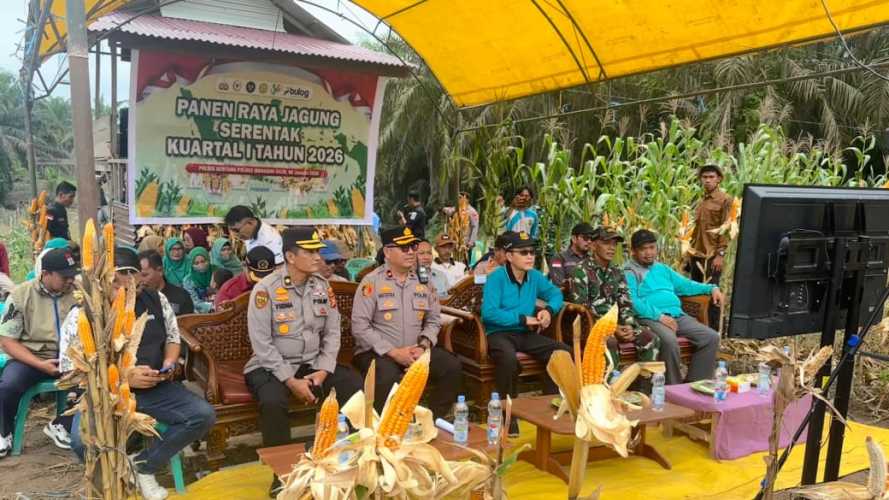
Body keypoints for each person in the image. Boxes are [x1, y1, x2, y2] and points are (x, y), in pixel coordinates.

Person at [70, 247, 216, 500]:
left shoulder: (156, 300)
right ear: (104, 280)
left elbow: (172, 338)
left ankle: (143, 466)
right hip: (104, 392)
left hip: (153, 389)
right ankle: (110, 481)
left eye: (133, 282)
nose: (126, 289)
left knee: (202, 415)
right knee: (81, 442)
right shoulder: (83, 312)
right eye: (117, 283)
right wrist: (124, 376)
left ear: (139, 277)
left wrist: (168, 364)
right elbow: (72, 367)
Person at [244, 228, 362, 496]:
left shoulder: (322, 286)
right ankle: (282, 475)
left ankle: (346, 461)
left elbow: (332, 332)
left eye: (318, 250)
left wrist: (323, 369)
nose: (318, 257)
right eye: (310, 252)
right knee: (273, 402)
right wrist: (290, 380)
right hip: (270, 365)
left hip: (312, 363)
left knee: (354, 387)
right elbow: (262, 344)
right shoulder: (265, 289)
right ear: (290, 256)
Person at [351, 227, 461, 419]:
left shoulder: (423, 281)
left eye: (413, 246)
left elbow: (434, 319)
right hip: (379, 352)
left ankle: (432, 420)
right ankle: (386, 427)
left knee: (451, 366)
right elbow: (360, 326)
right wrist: (394, 352)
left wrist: (423, 345)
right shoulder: (372, 281)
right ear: (387, 252)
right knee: (386, 377)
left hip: (416, 350)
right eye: (404, 248)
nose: (411, 252)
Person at [480, 231, 567, 436]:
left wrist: (549, 311)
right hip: (498, 333)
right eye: (523, 252)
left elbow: (556, 294)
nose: (530, 256)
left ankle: (549, 407)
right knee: (508, 360)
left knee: (562, 353)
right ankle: (507, 415)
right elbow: (489, 313)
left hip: (525, 333)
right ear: (509, 256)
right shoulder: (496, 278)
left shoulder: (534, 276)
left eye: (532, 252)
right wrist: (521, 319)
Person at [0, 249, 79, 455]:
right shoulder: (20, 295)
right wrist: (40, 364)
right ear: (45, 274)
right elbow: (7, 341)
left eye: (72, 275)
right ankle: (4, 433)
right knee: (8, 385)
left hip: (73, 359)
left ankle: (62, 424)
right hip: (32, 358)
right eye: (65, 276)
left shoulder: (79, 293)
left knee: (99, 381)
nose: (70, 280)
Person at [624, 229, 724, 385]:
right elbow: (632, 301)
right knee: (669, 341)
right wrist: (660, 316)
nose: (649, 253)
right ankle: (673, 388)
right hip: (650, 317)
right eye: (643, 249)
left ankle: (696, 385)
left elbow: (686, 285)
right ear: (633, 251)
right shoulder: (629, 271)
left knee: (710, 337)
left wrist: (712, 288)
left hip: (677, 315)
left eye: (652, 247)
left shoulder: (662, 269)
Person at [567, 227, 660, 366]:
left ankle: (643, 379)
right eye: (606, 243)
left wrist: (628, 325)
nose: (611, 248)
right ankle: (612, 379)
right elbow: (583, 310)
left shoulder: (617, 271)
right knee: (609, 342)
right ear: (593, 245)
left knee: (650, 338)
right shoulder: (581, 271)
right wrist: (612, 328)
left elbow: (625, 303)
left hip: (617, 324)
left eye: (614, 244)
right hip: (593, 326)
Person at [689, 164, 734, 327]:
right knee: (695, 293)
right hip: (697, 254)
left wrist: (720, 255)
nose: (707, 180)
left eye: (711, 177)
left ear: (719, 179)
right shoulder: (701, 200)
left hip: (712, 256)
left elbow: (726, 228)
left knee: (712, 293)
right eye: (704, 177)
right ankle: (698, 327)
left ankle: (714, 329)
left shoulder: (725, 200)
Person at [138, 250, 194, 315]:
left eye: (144, 275)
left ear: (160, 270)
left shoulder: (181, 296)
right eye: (137, 276)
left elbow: (188, 320)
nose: (140, 280)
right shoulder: (137, 299)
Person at [549, 222, 596, 287]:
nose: (589, 241)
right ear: (574, 239)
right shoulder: (558, 258)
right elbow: (559, 285)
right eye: (586, 238)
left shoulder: (593, 260)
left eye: (591, 239)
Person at [182, 247, 215, 312]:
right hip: (200, 312)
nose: (201, 265)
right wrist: (211, 306)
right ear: (191, 264)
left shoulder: (216, 271)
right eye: (196, 263)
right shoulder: (188, 280)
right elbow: (194, 301)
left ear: (208, 259)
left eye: (203, 261)